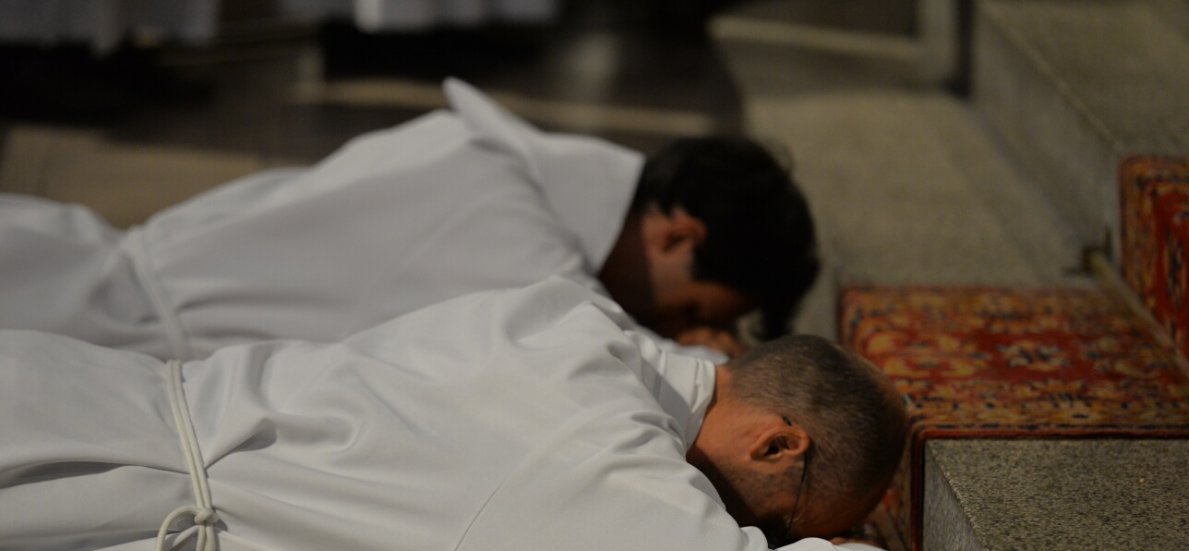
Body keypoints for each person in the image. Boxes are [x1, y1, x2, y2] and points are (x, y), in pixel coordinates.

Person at [0, 278, 910, 551]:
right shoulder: (595, 451)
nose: (778, 543)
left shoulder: (578, 321)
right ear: (778, 446)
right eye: (794, 526)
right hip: (81, 493)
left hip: (74, 387)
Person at [0, 78, 818, 361]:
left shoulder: (495, 151)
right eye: (684, 310)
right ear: (679, 236)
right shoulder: (513, 218)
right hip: (85, 326)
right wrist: (705, 366)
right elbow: (584, 353)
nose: (661, 326)